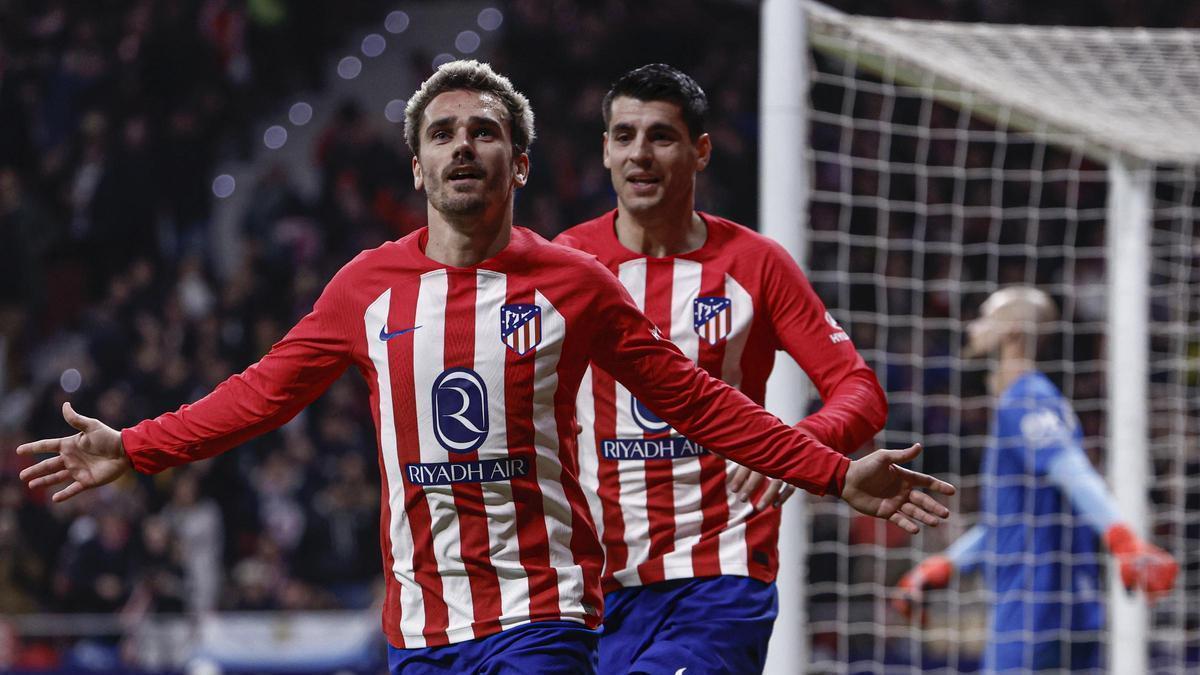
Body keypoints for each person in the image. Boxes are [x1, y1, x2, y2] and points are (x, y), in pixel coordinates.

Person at [17, 60, 955, 674]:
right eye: (442, 133)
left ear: (521, 164)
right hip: (422, 628)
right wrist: (134, 448)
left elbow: (698, 400)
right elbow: (261, 393)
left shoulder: (577, 285)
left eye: (485, 132)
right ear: (417, 169)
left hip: (555, 610)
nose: (463, 144)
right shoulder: (365, 289)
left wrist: (829, 468)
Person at [553, 63, 889, 674]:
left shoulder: (756, 264)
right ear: (604, 151)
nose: (640, 155)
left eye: (661, 136)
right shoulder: (567, 264)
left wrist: (799, 447)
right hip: (591, 582)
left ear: (700, 150)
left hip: (720, 571)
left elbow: (858, 389)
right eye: (624, 136)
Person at [893, 286, 1177, 672]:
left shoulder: (1025, 400)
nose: (974, 327)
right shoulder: (1047, 401)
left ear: (1011, 331)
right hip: (1075, 603)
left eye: (984, 316)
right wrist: (946, 565)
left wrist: (1123, 539)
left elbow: (1072, 470)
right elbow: (1017, 516)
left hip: (1030, 605)